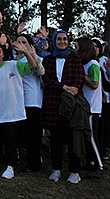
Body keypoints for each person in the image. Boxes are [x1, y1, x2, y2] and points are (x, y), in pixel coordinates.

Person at [0, 42, 38, 179]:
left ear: (3, 53)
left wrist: (26, 52)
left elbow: (33, 66)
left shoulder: (13, 65)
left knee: (11, 141)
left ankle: (10, 166)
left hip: (12, 111)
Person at [41, 30, 85, 184]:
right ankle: (56, 169)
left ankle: (74, 171)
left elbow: (78, 80)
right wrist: (64, 87)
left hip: (70, 104)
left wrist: (70, 89)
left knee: (73, 139)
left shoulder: (75, 59)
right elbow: (47, 79)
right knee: (55, 140)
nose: (62, 42)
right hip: (53, 103)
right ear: (54, 41)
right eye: (59, 39)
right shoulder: (48, 60)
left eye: (65, 39)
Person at [16, 34, 45, 174]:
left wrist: (32, 55)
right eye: (19, 41)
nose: (21, 44)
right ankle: (31, 162)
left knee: (33, 134)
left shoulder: (36, 58)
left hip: (32, 101)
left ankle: (34, 165)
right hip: (20, 101)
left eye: (24, 42)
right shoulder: (15, 59)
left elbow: (41, 71)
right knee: (26, 135)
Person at [75, 37, 105, 178]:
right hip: (86, 106)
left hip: (92, 107)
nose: (75, 50)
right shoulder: (85, 63)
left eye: (77, 47)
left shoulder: (93, 64)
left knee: (92, 136)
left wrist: (82, 74)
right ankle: (91, 162)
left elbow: (94, 84)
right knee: (87, 137)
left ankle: (99, 165)